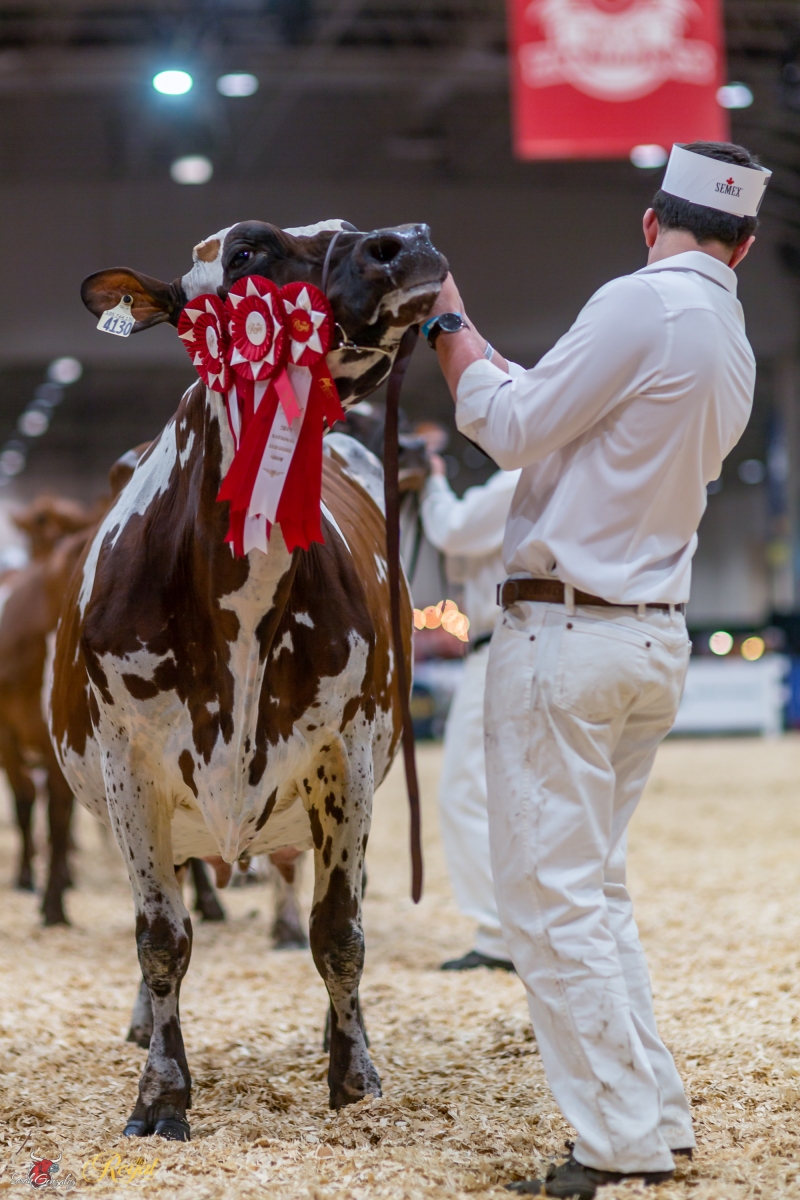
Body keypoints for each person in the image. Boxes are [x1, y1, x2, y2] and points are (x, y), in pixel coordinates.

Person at [420, 141, 769, 1198]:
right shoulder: (730, 337)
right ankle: (650, 1115)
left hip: (565, 637)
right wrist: (483, 350)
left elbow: (508, 425)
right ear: (746, 245)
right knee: (593, 892)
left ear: (650, 221)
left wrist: (446, 320)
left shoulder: (637, 301)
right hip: (646, 638)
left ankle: (617, 1140)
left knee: (550, 903)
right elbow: (553, 412)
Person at [420, 453, 520, 971]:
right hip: (520, 639)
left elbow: (454, 531)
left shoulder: (523, 473)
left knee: (465, 790)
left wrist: (433, 480)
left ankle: (500, 935)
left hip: (502, 643)